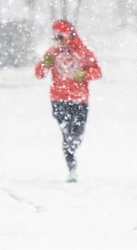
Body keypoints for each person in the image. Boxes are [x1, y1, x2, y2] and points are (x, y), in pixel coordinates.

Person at [35, 20, 102, 182]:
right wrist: (45, 64)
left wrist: (84, 75)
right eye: (56, 38)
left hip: (80, 100)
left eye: (61, 37)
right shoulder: (52, 53)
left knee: (77, 133)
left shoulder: (83, 52)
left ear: (70, 35)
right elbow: (39, 74)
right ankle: (71, 165)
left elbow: (97, 71)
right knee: (66, 133)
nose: (59, 41)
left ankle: (72, 149)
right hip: (59, 99)